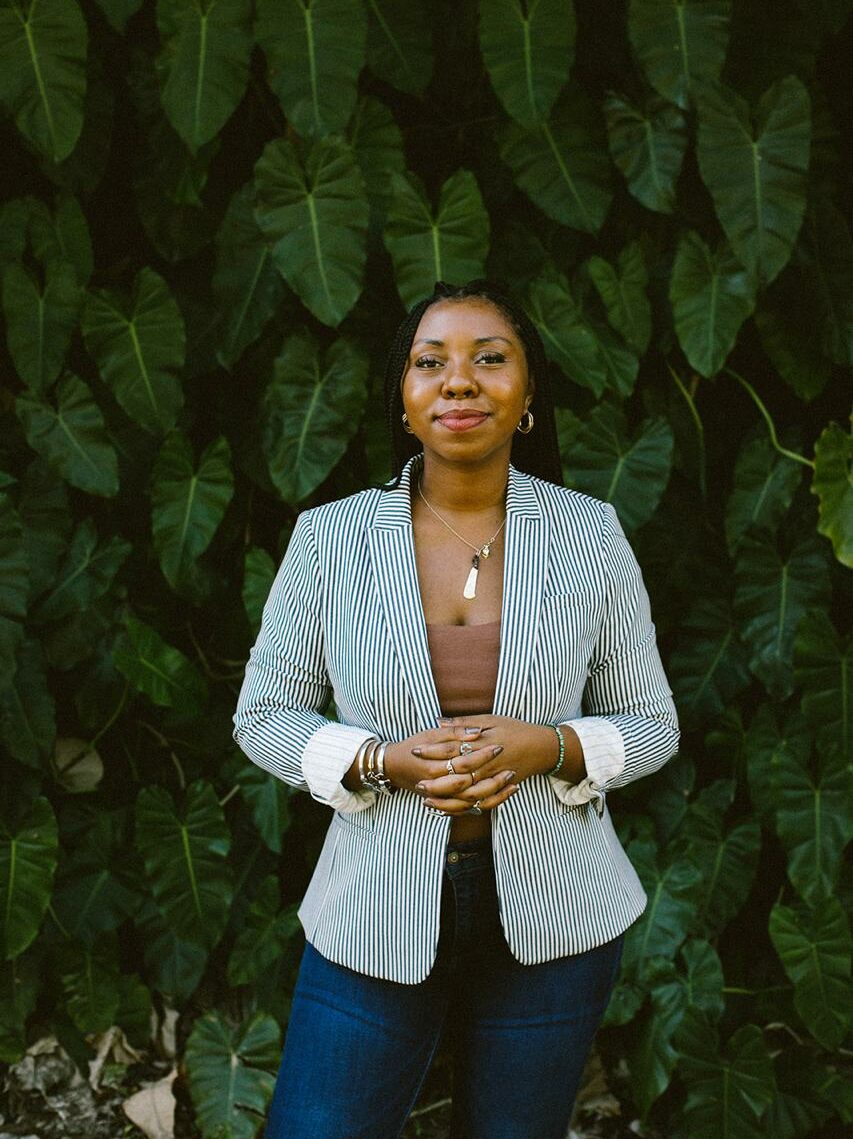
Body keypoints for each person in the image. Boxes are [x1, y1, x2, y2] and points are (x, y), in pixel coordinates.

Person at [232, 280, 679, 1139]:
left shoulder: (591, 534)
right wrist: (380, 761)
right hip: (372, 908)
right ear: (404, 401)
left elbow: (651, 719)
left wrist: (548, 746)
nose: (459, 380)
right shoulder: (330, 538)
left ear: (528, 395)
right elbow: (264, 713)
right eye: (429, 361)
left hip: (557, 914)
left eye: (488, 358)